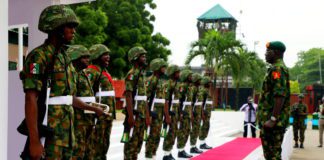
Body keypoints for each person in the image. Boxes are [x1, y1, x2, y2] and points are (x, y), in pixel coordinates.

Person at [20, 5, 104, 159]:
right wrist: (34, 141)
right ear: (56, 27)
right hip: (49, 136)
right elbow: (30, 98)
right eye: (69, 26)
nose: (74, 31)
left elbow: (68, 98)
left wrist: (92, 108)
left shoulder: (65, 57)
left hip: (67, 135)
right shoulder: (39, 56)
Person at [256, 41, 290, 160]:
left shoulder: (277, 69)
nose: (265, 54)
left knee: (272, 155)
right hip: (271, 121)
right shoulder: (275, 68)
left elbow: (279, 95)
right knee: (271, 155)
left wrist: (273, 119)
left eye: (267, 51)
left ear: (276, 52)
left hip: (272, 123)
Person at [66, 45, 98, 159]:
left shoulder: (83, 73)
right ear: (75, 57)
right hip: (78, 120)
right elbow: (72, 98)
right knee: (77, 151)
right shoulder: (72, 74)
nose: (88, 60)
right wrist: (94, 109)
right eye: (84, 57)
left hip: (87, 118)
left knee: (87, 150)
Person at [85, 44, 116, 159]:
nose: (108, 57)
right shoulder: (91, 72)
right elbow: (87, 94)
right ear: (96, 56)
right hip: (98, 115)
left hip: (107, 115)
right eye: (105, 54)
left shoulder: (104, 72)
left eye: (108, 54)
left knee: (104, 144)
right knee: (95, 145)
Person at [123, 46, 151, 160]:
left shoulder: (142, 74)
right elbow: (128, 96)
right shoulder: (132, 74)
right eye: (142, 56)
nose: (145, 58)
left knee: (138, 143)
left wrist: (148, 116)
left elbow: (144, 98)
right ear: (135, 57)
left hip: (142, 115)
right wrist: (130, 116)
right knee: (131, 144)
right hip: (135, 114)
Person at [145, 58, 168, 159]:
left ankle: (153, 154)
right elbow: (146, 98)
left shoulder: (161, 81)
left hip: (160, 112)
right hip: (153, 111)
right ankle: (149, 156)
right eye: (163, 67)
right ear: (157, 67)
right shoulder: (151, 80)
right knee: (152, 135)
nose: (164, 68)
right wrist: (147, 114)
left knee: (157, 135)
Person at [162, 65, 181, 160]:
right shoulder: (168, 84)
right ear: (173, 73)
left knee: (174, 133)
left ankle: (169, 153)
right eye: (177, 72)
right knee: (169, 133)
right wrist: (167, 115)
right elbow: (165, 100)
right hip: (170, 112)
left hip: (175, 112)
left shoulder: (176, 84)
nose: (179, 74)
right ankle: (166, 154)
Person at [177, 69, 194, 158]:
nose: (191, 77)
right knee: (182, 131)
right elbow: (179, 100)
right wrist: (180, 112)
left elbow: (190, 102)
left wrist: (191, 113)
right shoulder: (182, 86)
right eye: (190, 76)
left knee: (187, 131)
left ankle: (183, 149)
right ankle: (180, 150)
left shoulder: (190, 86)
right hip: (183, 111)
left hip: (188, 111)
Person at [190, 73, 204, 154]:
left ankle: (194, 145)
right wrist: (191, 113)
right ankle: (192, 147)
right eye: (199, 79)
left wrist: (201, 113)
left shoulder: (199, 89)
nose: (200, 81)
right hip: (194, 112)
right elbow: (191, 102)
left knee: (197, 129)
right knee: (194, 129)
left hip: (198, 112)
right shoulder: (193, 89)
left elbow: (200, 102)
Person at [198, 76, 213, 149]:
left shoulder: (207, 90)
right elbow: (201, 103)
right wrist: (202, 113)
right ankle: (201, 143)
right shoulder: (203, 91)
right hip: (204, 113)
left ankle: (203, 142)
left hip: (208, 113)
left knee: (206, 127)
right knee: (204, 127)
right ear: (206, 83)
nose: (210, 84)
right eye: (209, 82)